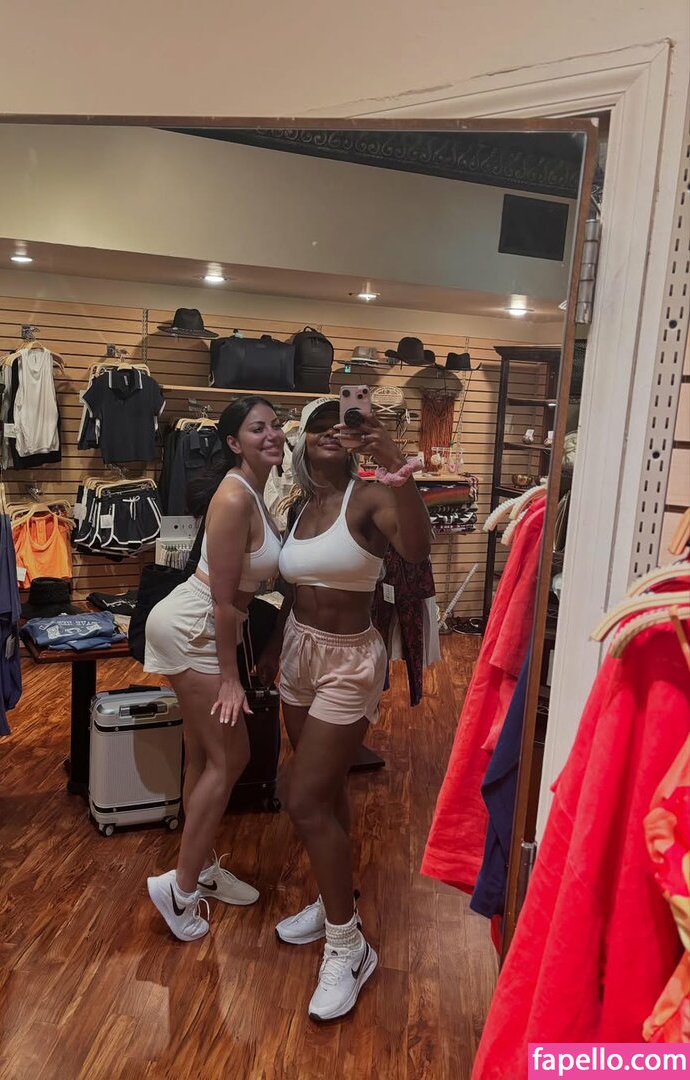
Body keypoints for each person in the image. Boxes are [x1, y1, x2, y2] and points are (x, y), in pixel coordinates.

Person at [258, 395, 432, 1022]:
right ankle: (338, 898)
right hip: (298, 654)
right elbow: (295, 587)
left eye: (345, 423)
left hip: (348, 662)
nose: (333, 431)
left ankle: (347, 945)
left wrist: (395, 463)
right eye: (319, 425)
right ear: (302, 441)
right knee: (326, 791)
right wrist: (271, 650)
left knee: (301, 798)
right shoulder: (301, 505)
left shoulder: (371, 497)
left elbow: (416, 549)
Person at [145, 396, 285, 941]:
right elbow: (225, 602)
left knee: (205, 756)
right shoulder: (233, 495)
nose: (271, 435)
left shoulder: (254, 488)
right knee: (232, 758)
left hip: (203, 623)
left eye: (275, 425)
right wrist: (230, 678)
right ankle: (179, 891)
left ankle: (200, 869)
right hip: (197, 626)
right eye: (257, 428)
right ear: (233, 442)